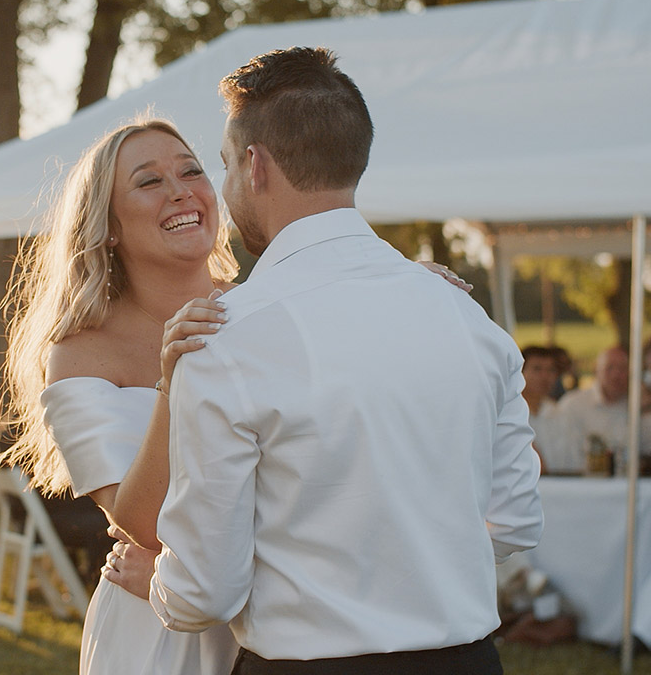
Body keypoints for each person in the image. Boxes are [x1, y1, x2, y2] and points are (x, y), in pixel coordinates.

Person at [0, 115, 472, 675]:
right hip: (164, 635)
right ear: (109, 225)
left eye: (192, 170)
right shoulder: (81, 352)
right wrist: (176, 385)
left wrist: (408, 295)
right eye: (148, 181)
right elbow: (142, 524)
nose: (180, 190)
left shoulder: (267, 310)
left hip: (289, 624)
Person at [148, 47, 544, 675]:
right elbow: (516, 522)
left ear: (254, 166)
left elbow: (205, 591)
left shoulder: (223, 341)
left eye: (224, 165)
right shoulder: (470, 320)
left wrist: (158, 583)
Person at [556, 345, 651, 474]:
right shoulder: (573, 405)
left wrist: (645, 411)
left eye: (623, 369)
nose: (616, 375)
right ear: (596, 370)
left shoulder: (638, 405)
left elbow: (647, 448)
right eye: (609, 368)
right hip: (582, 484)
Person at [518, 345, 562, 472]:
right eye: (537, 369)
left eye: (551, 370)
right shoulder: (507, 413)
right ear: (520, 372)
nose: (545, 376)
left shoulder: (560, 413)